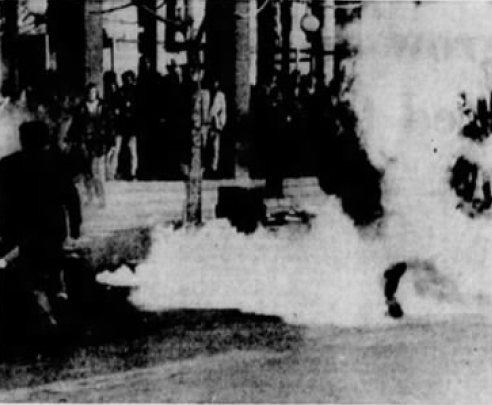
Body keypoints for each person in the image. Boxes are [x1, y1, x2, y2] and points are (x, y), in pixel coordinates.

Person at [0, 121, 81, 328]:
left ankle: (45, 313)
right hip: (53, 228)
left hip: (21, 230)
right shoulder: (57, 161)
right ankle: (60, 299)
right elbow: (71, 197)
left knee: (30, 274)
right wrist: (75, 227)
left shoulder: (8, 164)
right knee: (54, 267)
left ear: (22, 139)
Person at [70, 83, 109, 206]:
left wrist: (109, 142)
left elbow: (109, 125)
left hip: (98, 143)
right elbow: (75, 125)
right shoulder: (81, 107)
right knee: (87, 172)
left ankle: (102, 197)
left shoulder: (103, 106)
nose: (91, 94)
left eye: (93, 92)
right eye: (89, 92)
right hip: (85, 143)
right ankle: (90, 196)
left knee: (98, 172)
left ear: (96, 93)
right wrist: (71, 138)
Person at [114, 70, 138, 180]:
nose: (128, 82)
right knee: (117, 149)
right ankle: (114, 171)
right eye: (126, 79)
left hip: (132, 126)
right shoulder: (120, 92)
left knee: (132, 150)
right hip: (121, 126)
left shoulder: (136, 92)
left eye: (130, 79)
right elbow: (116, 109)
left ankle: (133, 172)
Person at [207, 78, 227, 174]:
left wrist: (221, 123)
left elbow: (223, 110)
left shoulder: (220, 95)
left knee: (215, 147)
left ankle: (214, 168)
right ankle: (205, 167)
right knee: (205, 146)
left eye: (216, 82)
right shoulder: (205, 93)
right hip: (206, 123)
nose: (215, 84)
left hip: (215, 124)